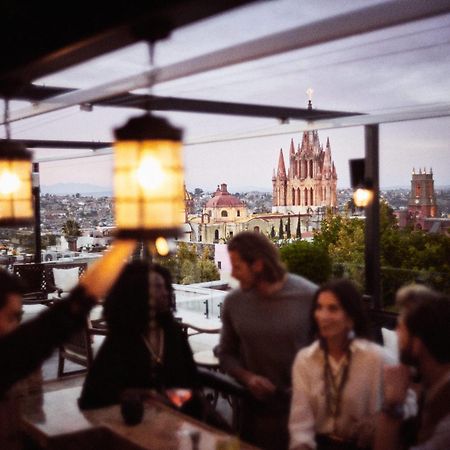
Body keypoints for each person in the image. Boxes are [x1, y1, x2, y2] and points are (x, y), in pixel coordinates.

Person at [0, 239, 136, 450]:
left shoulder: (15, 358)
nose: (17, 325)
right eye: (12, 317)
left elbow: (70, 310)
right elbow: (70, 310)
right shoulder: (11, 357)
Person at [218, 231, 317, 450]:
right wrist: (248, 377)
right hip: (252, 415)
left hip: (305, 417)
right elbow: (225, 353)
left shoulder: (309, 296)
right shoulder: (234, 303)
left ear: (258, 265)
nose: (233, 274)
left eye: (237, 266)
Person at [78, 260, 204, 420]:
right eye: (158, 287)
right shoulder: (121, 340)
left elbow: (191, 385)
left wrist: (167, 400)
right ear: (139, 292)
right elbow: (93, 398)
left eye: (166, 286)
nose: (166, 292)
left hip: (179, 425)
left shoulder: (173, 333)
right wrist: (140, 396)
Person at [289, 279, 396, 450]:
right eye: (319, 307)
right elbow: (300, 423)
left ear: (351, 318)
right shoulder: (305, 360)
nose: (323, 316)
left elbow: (408, 401)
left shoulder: (375, 358)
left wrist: (381, 418)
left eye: (333, 308)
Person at [374, 285, 450, 450]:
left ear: (417, 344)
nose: (395, 332)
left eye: (400, 327)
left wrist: (391, 407)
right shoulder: (432, 388)